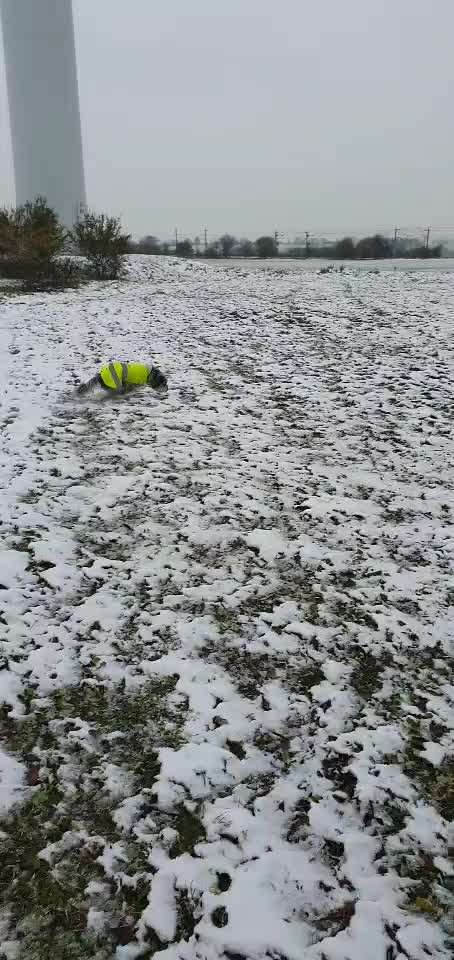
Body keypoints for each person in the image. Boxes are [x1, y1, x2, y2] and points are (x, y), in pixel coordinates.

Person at [76, 361, 167, 396]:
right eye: (162, 385)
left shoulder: (144, 370)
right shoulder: (143, 376)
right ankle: (102, 399)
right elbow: (130, 387)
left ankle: (83, 389)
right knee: (119, 394)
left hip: (109, 370)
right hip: (113, 374)